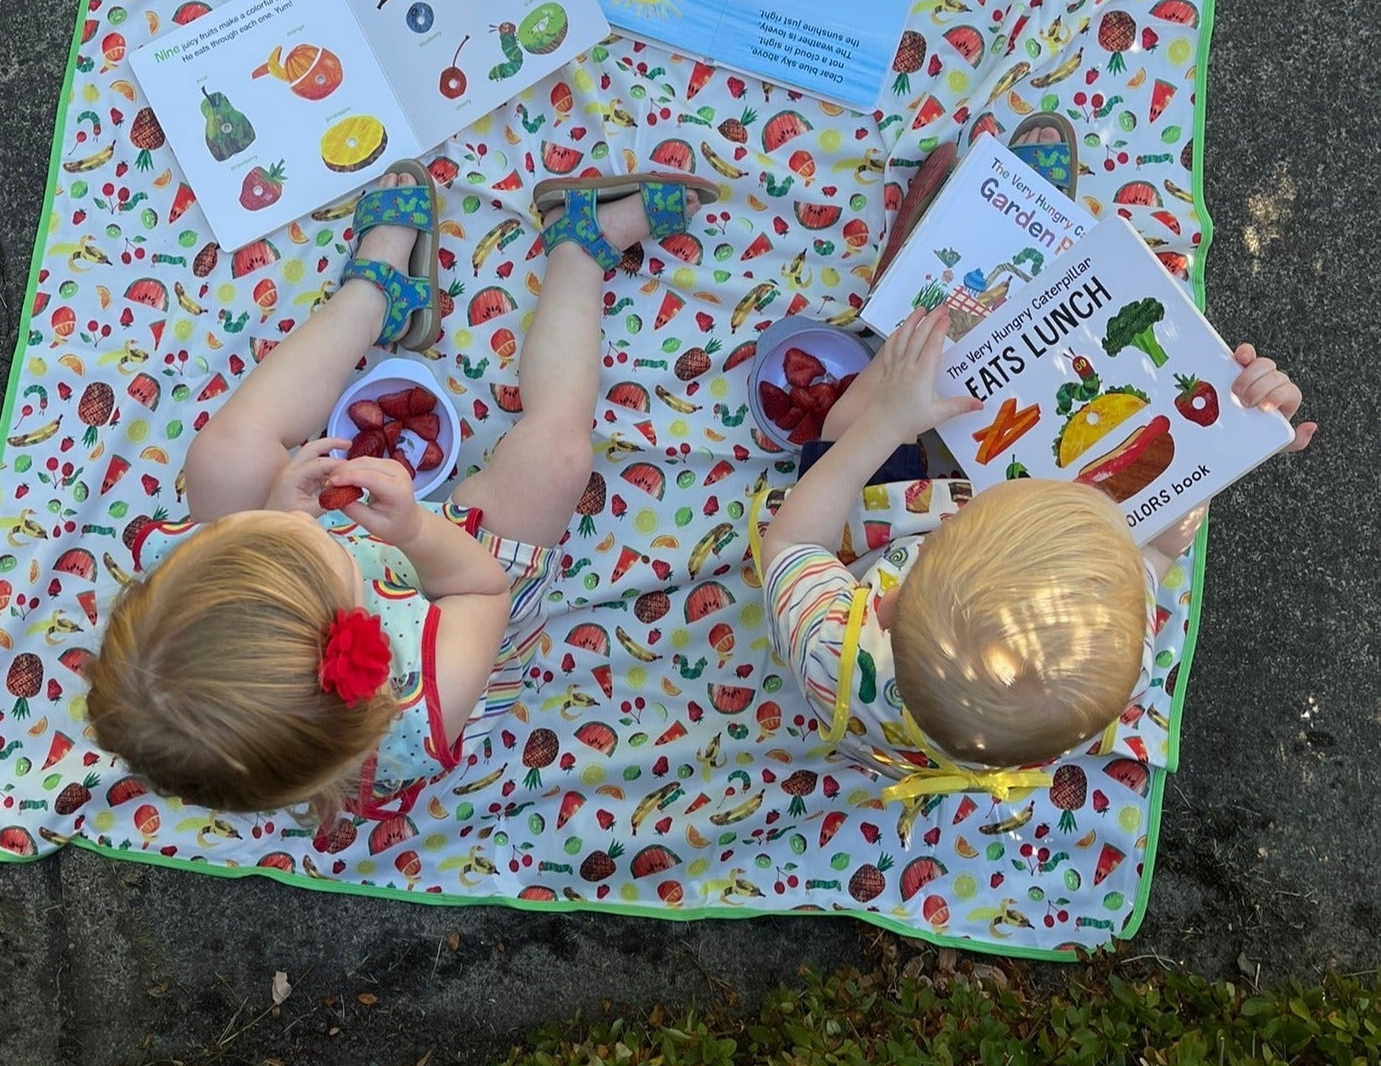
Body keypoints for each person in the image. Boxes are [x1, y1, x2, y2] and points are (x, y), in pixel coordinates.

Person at [87, 164, 721, 826]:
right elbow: (481, 591)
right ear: (347, 625)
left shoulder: (197, 617)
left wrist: (277, 508)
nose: (294, 526)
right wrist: (415, 531)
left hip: (335, 583)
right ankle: (580, 250)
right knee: (556, 457)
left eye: (259, 543)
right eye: (293, 543)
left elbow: (257, 555)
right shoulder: (429, 701)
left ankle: (372, 298)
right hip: (456, 601)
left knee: (221, 459)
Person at [757, 304, 1315, 797]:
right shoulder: (1111, 660)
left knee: (847, 422)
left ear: (885, 603)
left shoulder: (833, 653)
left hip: (875, 555)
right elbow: (1166, 544)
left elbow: (795, 539)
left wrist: (888, 421)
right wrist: (1236, 438)